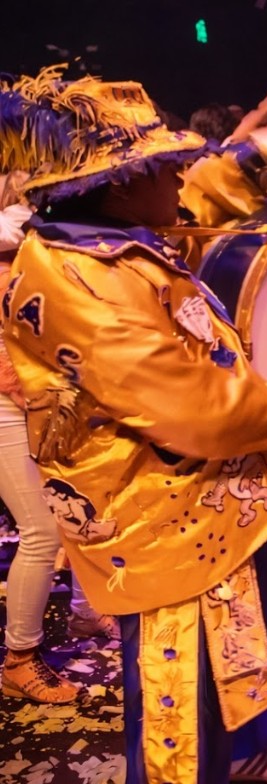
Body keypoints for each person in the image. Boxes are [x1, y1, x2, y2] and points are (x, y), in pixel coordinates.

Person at [0, 67, 267, 784]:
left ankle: (240, 753)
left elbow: (194, 199)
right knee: (177, 681)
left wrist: (250, 157)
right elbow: (193, 409)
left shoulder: (103, 235)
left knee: (238, 638)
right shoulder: (80, 282)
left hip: (200, 499)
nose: (180, 173)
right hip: (156, 516)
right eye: (162, 165)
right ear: (117, 185)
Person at [0, 172, 118, 704]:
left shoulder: (37, 241)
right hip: (8, 402)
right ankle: (19, 660)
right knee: (42, 530)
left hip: (43, 399)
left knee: (77, 509)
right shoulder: (14, 242)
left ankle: (86, 612)